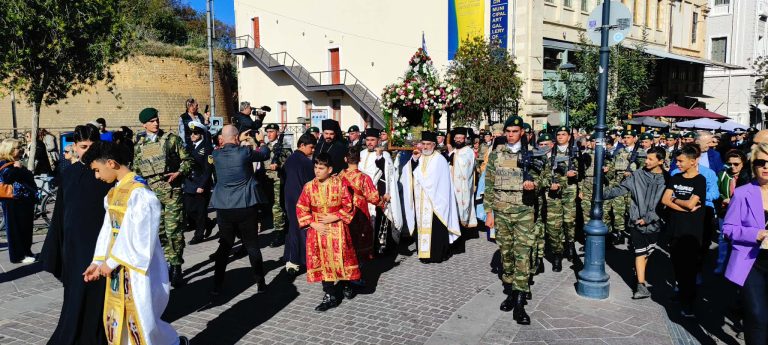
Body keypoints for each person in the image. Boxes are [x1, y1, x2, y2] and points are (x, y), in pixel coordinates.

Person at [81, 141, 187, 345]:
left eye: (97, 170)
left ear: (111, 163)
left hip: (138, 271)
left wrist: (109, 263)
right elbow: (108, 231)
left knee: (142, 322)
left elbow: (140, 240)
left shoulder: (140, 194)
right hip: (116, 267)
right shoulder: (113, 193)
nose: (97, 176)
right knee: (120, 320)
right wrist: (98, 261)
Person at [43, 125, 112, 345]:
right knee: (76, 290)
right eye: (83, 147)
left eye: (92, 147)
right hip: (74, 242)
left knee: (96, 291)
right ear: (74, 147)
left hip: (99, 241)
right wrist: (57, 246)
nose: (88, 151)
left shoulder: (107, 174)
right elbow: (60, 212)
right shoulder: (68, 173)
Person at [484, 116, 545, 324]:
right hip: (501, 212)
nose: (510, 134)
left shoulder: (533, 154)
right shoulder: (496, 155)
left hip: (524, 212)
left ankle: (519, 301)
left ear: (522, 133)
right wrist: (489, 213)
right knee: (506, 253)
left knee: (522, 254)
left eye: (514, 131)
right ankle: (510, 290)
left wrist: (534, 183)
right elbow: (489, 185)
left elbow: (545, 178)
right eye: (508, 131)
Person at [133, 108, 192, 287]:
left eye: (157, 120)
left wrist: (179, 173)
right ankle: (164, 264)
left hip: (171, 192)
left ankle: (176, 267)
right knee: (158, 233)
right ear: (144, 124)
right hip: (151, 195)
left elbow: (188, 160)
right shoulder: (139, 145)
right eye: (151, 121)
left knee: (174, 231)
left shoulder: (172, 140)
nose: (156, 123)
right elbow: (136, 170)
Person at [208, 125, 271, 295]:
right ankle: (260, 283)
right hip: (245, 205)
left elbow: (224, 146)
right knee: (252, 245)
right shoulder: (244, 152)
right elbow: (265, 153)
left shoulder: (216, 154)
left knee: (225, 246)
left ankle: (217, 286)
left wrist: (238, 139)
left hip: (223, 208)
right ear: (236, 138)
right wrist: (261, 140)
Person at [603, 147, 668, 299]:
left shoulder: (667, 179)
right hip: (636, 221)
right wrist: (600, 194)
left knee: (647, 252)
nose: (646, 161)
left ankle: (639, 275)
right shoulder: (637, 175)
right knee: (640, 253)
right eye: (646, 158)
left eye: (651, 159)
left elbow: (663, 204)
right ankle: (640, 285)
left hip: (655, 223)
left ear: (661, 161)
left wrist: (650, 218)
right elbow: (621, 189)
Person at [296, 153, 358, 311]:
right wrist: (313, 223)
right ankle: (329, 294)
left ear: (330, 169)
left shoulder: (340, 184)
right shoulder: (309, 186)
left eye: (321, 168)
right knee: (324, 262)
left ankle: (346, 284)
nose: (317, 170)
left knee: (341, 257)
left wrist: (335, 216)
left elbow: (349, 206)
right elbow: (301, 208)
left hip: (337, 229)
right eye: (315, 167)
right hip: (318, 231)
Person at [722, 143, 768, 345]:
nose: (766, 166)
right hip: (752, 263)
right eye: (761, 162)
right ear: (753, 166)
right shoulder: (742, 193)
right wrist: (754, 234)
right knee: (757, 314)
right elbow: (728, 229)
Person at [400, 131, 460, 263]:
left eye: (428, 144)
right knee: (421, 228)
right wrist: (414, 160)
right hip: (420, 202)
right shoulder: (419, 157)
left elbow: (434, 181)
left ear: (434, 145)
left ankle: (437, 254)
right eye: (423, 144)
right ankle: (424, 254)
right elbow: (407, 172)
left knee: (436, 230)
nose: (425, 147)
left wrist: (420, 177)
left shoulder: (439, 160)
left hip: (435, 203)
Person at [661, 144, 706, 317]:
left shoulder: (699, 180)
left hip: (691, 232)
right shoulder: (675, 177)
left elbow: (691, 204)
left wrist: (675, 199)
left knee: (689, 268)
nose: (677, 164)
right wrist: (682, 204)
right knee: (677, 265)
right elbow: (665, 200)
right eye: (676, 160)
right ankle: (681, 293)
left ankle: (689, 302)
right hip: (674, 228)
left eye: (681, 161)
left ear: (693, 161)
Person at [340, 147, 385, 268]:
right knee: (360, 236)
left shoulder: (339, 176)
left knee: (347, 236)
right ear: (359, 160)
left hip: (344, 210)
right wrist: (383, 201)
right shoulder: (364, 178)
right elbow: (374, 198)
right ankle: (358, 266)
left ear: (345, 159)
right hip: (359, 210)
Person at [359, 128, 398, 254]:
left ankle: (379, 248)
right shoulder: (362, 153)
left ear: (378, 140)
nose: (370, 142)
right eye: (368, 140)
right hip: (362, 194)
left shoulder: (384, 155)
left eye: (372, 140)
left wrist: (387, 192)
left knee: (380, 221)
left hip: (377, 192)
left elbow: (389, 176)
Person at [283, 133, 316, 274]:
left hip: (289, 200)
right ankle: (301, 260)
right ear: (302, 145)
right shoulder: (306, 162)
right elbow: (311, 185)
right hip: (302, 202)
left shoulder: (289, 160)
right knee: (302, 230)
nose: (313, 150)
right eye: (311, 147)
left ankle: (291, 259)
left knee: (292, 229)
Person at [0, 139, 37, 264]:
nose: (20, 149)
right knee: (15, 228)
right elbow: (7, 178)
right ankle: (18, 256)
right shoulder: (4, 163)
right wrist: (18, 169)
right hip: (12, 200)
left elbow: (28, 176)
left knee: (25, 227)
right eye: (17, 147)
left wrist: (21, 169)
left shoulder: (15, 162)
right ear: (9, 149)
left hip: (23, 200)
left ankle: (26, 251)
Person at [606, 129, 645, 246]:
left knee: (632, 210)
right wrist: (608, 173)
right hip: (619, 184)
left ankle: (635, 234)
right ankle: (620, 233)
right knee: (618, 210)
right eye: (624, 138)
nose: (626, 140)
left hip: (633, 185)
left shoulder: (640, 152)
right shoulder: (619, 151)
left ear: (634, 138)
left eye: (628, 137)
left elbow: (644, 168)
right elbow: (613, 167)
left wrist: (633, 173)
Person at [715, 150, 750, 274]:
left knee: (741, 239)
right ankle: (721, 264)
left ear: (743, 163)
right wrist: (723, 198)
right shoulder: (723, 174)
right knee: (723, 237)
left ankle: (737, 266)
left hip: (743, 213)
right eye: (730, 164)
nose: (732, 167)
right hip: (725, 211)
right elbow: (715, 191)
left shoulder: (748, 176)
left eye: (736, 164)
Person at [184, 121, 214, 245]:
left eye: (195, 133)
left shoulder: (207, 148)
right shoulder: (189, 146)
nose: (193, 135)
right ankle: (208, 223)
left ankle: (199, 235)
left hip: (201, 183)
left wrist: (202, 185)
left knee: (201, 211)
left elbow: (208, 168)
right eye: (191, 133)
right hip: (189, 183)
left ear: (201, 134)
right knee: (189, 209)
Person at [448, 127, 478, 253]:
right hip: (451, 185)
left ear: (465, 139)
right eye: (457, 138)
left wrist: (454, 156)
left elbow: (468, 166)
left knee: (462, 210)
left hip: (463, 186)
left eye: (461, 138)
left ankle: (461, 237)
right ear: (454, 139)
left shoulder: (468, 151)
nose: (459, 140)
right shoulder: (453, 150)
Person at [263, 123, 291, 248]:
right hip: (266, 180)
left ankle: (279, 233)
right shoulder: (266, 146)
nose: (269, 134)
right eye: (267, 131)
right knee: (269, 207)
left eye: (272, 131)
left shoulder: (285, 148)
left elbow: (288, 164)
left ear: (277, 133)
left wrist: (279, 165)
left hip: (277, 180)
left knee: (277, 208)